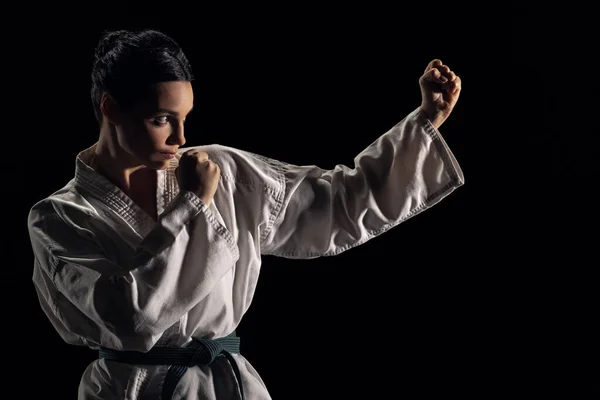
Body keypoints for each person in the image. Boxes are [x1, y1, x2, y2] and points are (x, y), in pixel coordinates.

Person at [27, 28, 464, 400]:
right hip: (129, 388)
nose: (181, 137)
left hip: (222, 385)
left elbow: (337, 203)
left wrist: (424, 121)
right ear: (110, 107)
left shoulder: (223, 172)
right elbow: (129, 317)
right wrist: (191, 205)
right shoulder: (59, 217)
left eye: (185, 117)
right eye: (162, 119)